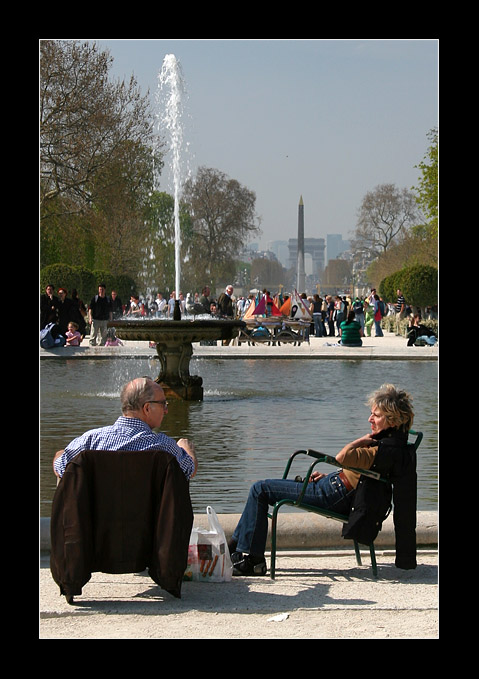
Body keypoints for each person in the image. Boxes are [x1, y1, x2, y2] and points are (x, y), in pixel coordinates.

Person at [228, 384, 414, 576]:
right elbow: (357, 473)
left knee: (260, 489)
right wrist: (331, 476)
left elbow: (342, 457)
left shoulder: (378, 450)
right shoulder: (391, 445)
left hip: (331, 494)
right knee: (261, 489)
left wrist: (360, 440)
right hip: (333, 487)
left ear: (392, 420)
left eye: (376, 415)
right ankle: (233, 549)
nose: (370, 419)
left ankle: (252, 560)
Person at [53, 377, 197, 480]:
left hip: (99, 521)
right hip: (149, 521)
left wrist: (60, 454)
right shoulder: (164, 446)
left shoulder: (90, 440)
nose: (166, 410)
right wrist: (186, 448)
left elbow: (59, 467)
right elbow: (189, 469)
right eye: (163, 404)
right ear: (147, 408)